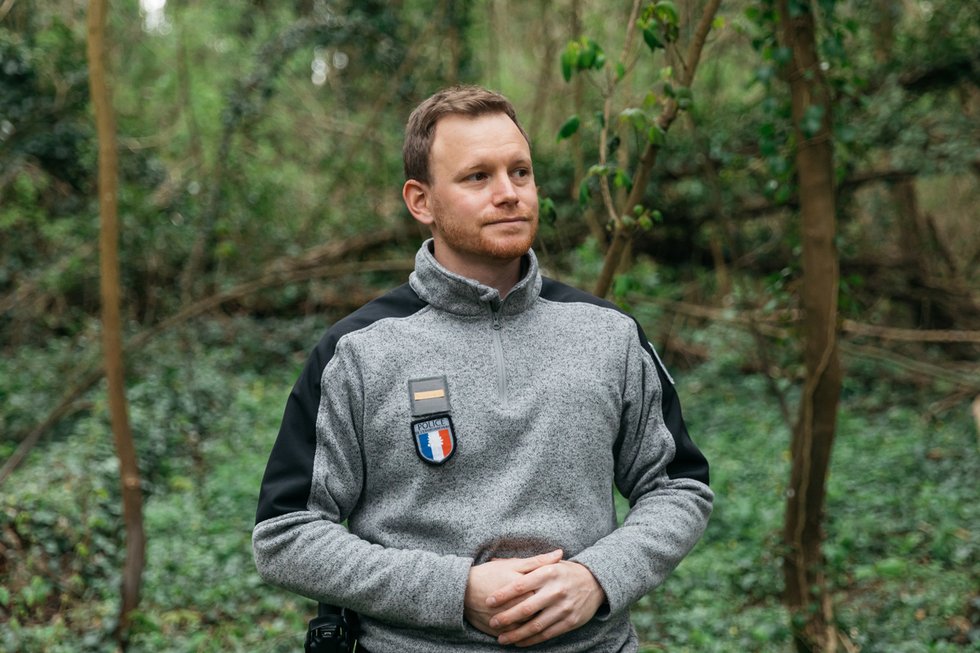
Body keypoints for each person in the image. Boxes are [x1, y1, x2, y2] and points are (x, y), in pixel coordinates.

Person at [253, 85, 713, 652]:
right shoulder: (358, 351)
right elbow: (285, 536)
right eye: (478, 177)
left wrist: (598, 577)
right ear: (421, 201)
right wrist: (455, 591)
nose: (508, 194)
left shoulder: (608, 334)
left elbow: (680, 487)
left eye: (520, 173)